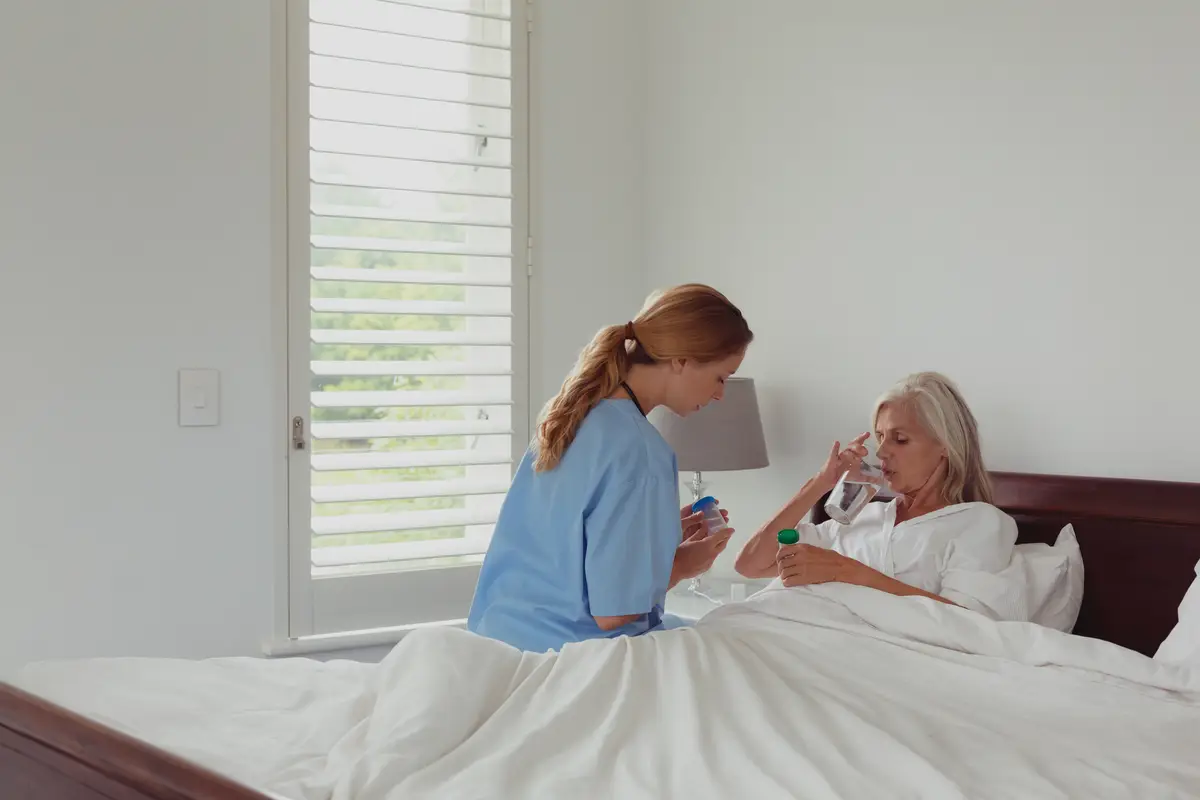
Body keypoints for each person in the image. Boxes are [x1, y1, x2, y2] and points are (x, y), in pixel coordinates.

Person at [467, 284, 755, 652]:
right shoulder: (641, 451)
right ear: (682, 359)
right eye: (721, 377)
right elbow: (615, 613)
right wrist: (682, 565)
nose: (720, 395)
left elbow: (561, 544)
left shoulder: (569, 416)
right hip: (573, 655)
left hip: (500, 641)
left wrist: (657, 537)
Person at [735, 371, 1027, 621]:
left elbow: (968, 623)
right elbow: (750, 564)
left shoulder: (978, 523)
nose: (882, 451)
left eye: (900, 439)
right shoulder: (860, 515)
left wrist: (846, 571)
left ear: (945, 446)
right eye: (880, 437)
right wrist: (819, 484)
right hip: (791, 630)